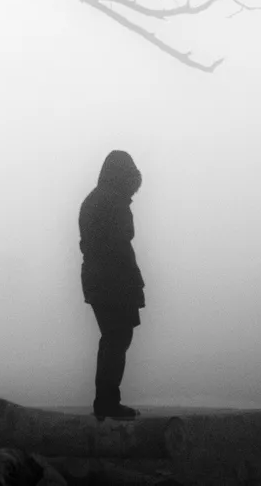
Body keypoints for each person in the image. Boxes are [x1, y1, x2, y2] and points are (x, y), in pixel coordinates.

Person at [78, 149, 146, 421]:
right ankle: (107, 403)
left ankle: (106, 402)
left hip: (105, 279)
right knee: (116, 338)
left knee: (115, 338)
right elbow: (115, 245)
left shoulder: (100, 200)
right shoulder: (108, 202)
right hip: (111, 280)